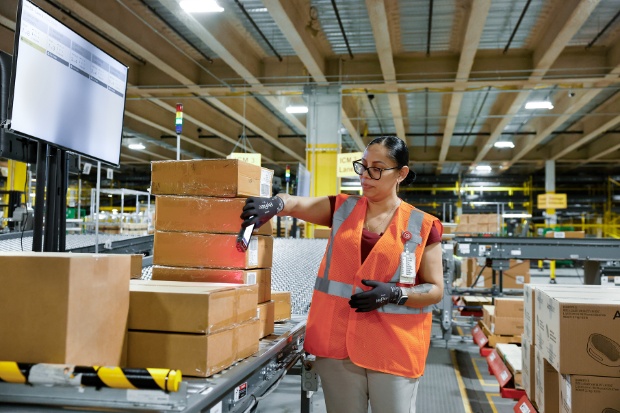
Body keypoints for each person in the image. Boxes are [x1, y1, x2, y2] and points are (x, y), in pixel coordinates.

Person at [240, 136, 444, 413]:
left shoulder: (423, 225)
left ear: (401, 174)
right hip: (338, 346)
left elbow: (435, 289)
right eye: (363, 166)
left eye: (377, 168)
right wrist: (275, 204)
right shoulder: (342, 209)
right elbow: (294, 203)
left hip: (393, 348)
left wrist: (397, 293)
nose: (366, 176)